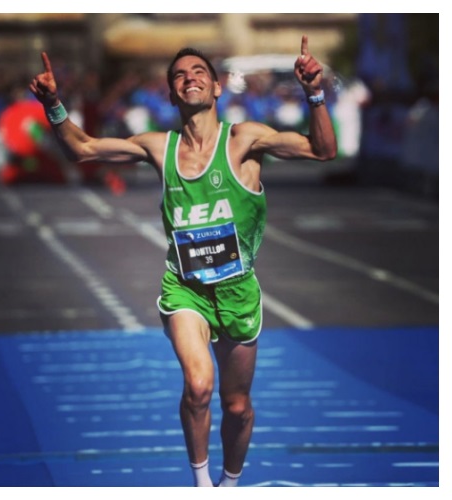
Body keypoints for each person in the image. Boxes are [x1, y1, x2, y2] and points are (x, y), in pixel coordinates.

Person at [30, 36, 336, 487]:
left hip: (237, 292)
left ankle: (230, 483)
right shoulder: (160, 147)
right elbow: (84, 149)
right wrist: (54, 104)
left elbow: (322, 150)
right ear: (171, 94)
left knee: (237, 407)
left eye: (198, 73)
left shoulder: (244, 140)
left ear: (215, 89)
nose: (189, 78)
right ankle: (201, 486)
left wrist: (314, 94)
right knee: (198, 386)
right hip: (185, 288)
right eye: (179, 75)